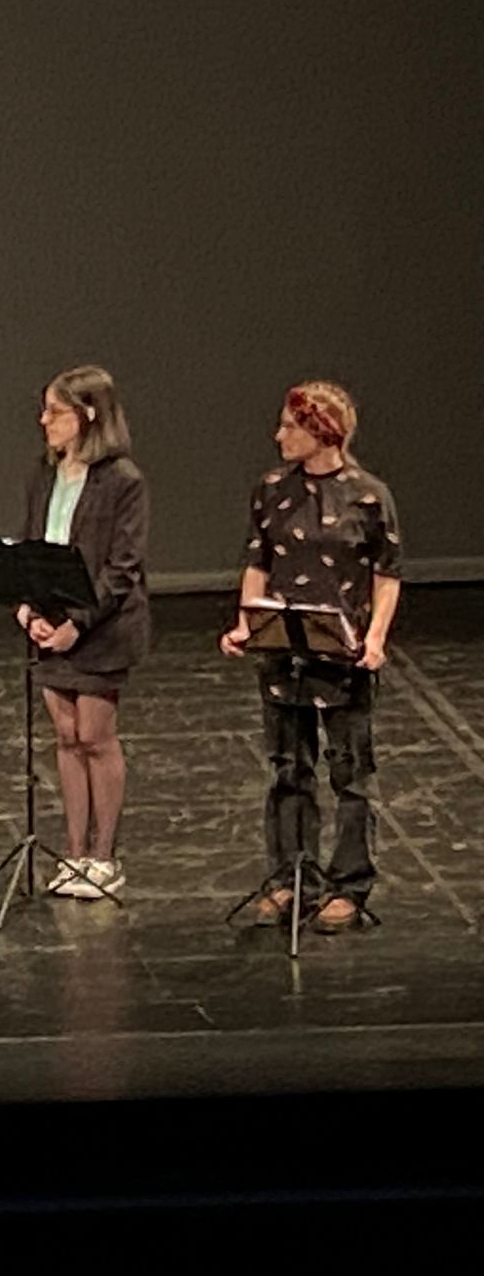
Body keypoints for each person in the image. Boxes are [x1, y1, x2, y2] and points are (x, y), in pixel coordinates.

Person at [221, 381, 401, 933]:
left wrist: (375, 639)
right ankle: (290, 876)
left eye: (290, 426)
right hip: (284, 651)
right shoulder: (272, 489)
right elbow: (257, 561)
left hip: (342, 655)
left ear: (322, 431)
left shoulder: (368, 495)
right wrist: (246, 623)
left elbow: (386, 573)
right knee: (287, 768)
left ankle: (349, 884)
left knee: (350, 773)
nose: (279, 435)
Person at [16, 366, 150, 901]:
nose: (44, 420)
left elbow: (122, 567)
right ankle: (74, 854)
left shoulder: (122, 481)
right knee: (67, 738)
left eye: (55, 411)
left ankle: (104, 856)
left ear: (88, 415)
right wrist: (31, 609)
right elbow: (31, 542)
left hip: (101, 627)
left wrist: (78, 624)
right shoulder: (45, 473)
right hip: (52, 624)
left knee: (95, 736)